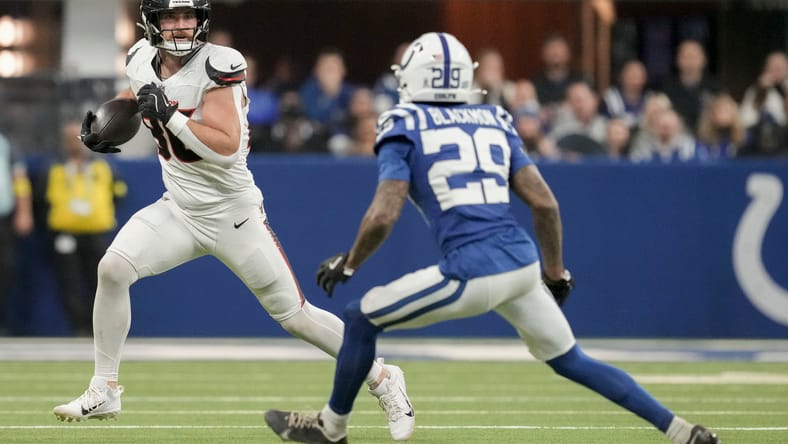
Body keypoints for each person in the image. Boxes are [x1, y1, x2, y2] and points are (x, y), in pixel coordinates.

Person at [263, 32, 720, 444]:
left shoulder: (403, 122)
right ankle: (682, 432)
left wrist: (349, 262)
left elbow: (385, 211)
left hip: (473, 268)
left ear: (414, 78)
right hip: (521, 264)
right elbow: (544, 203)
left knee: (359, 317)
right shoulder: (493, 118)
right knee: (572, 360)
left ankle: (332, 427)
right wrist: (555, 272)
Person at [52, 2, 414, 439]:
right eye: (171, 17)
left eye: (189, 16)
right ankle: (104, 387)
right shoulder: (140, 57)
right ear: (152, 22)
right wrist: (105, 121)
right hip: (179, 208)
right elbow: (139, 94)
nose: (182, 25)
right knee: (111, 269)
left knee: (296, 316)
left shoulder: (220, 64)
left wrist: (170, 116)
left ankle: (382, 377)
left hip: (232, 215)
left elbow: (225, 145)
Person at [45, 120, 127, 336]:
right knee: (68, 282)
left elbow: (119, 193)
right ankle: (78, 326)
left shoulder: (103, 166)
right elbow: (41, 200)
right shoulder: (54, 167)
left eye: (78, 138)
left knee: (99, 281)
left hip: (96, 232)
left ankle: (96, 328)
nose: (74, 143)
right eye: (70, 138)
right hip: (65, 233)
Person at [0, 130, 33, 335]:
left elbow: (19, 179)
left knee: (5, 269)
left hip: (2, 219)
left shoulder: (5, 143)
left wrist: (24, 211)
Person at [661, 40, 720, 135]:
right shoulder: (667, 88)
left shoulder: (715, 87)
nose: (690, 61)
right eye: (686, 57)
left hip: (708, 138)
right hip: (677, 138)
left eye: (694, 57)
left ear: (704, 59)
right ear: (678, 60)